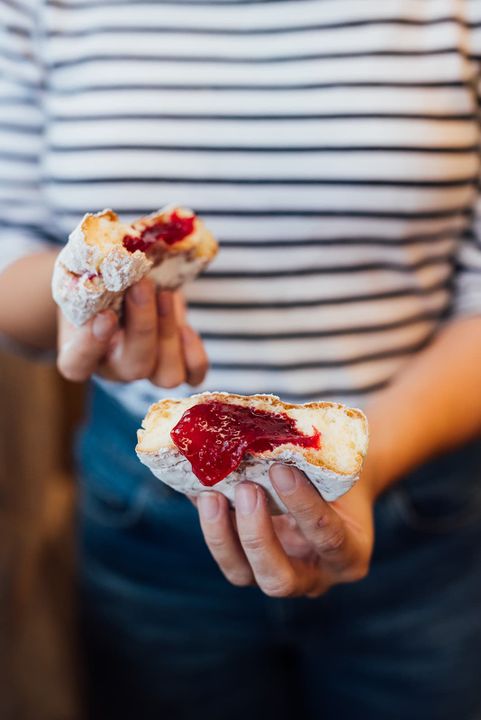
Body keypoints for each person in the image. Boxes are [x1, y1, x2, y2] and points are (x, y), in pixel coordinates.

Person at [1, 1, 481, 718]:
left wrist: (369, 461)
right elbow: (10, 256)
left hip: (423, 510)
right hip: (145, 518)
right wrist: (83, 298)